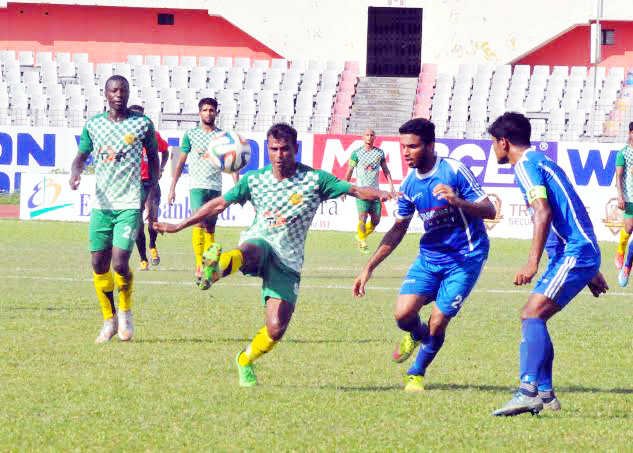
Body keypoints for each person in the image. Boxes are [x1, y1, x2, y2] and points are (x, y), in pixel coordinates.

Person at [154, 123, 396, 387]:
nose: (279, 155)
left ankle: (245, 359)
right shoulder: (254, 180)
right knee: (252, 248)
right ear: (268, 150)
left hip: (288, 260)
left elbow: (357, 190)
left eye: (284, 149)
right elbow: (220, 203)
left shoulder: (315, 180)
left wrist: (384, 193)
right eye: (273, 149)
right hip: (259, 242)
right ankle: (214, 269)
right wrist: (179, 225)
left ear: (295, 149)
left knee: (276, 328)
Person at [352, 118, 496, 393]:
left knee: (439, 320)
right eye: (403, 146)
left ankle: (416, 372)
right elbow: (398, 229)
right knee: (403, 315)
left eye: (412, 146)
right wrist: (368, 267)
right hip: (430, 258)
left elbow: (489, 211)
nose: (405, 152)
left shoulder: (455, 170)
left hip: (465, 258)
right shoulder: (409, 186)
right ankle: (417, 335)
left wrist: (458, 201)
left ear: (430, 145)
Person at [488, 112, 608, 416]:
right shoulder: (543, 163)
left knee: (532, 314)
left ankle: (529, 391)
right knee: (534, 316)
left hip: (576, 252)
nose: (493, 149)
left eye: (493, 143)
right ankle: (546, 396)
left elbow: (543, 213)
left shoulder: (526, 166)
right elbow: (567, 210)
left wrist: (531, 263)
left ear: (504, 142)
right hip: (577, 252)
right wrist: (591, 268)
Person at [69, 75, 159, 344]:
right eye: (114, 90)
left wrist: (150, 189)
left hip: (129, 203)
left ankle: (126, 311)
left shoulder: (142, 124)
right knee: (98, 264)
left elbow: (153, 159)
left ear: (129, 93)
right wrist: (75, 173)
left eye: (124, 90)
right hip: (101, 205)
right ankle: (108, 320)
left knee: (120, 262)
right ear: (106, 94)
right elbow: (81, 156)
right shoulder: (94, 125)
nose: (119, 94)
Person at [167, 98, 239, 289]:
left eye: (211, 110)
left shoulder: (223, 136)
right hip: (197, 185)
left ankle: (209, 267)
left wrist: (236, 184)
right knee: (198, 222)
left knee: (210, 228)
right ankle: (199, 264)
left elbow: (231, 160)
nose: (208, 113)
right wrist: (172, 186)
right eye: (205, 110)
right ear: (200, 113)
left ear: (216, 113)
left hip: (215, 186)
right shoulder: (191, 135)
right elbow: (180, 161)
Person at [127, 105, 170, 271]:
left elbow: (165, 151)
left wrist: (161, 169)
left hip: (151, 183)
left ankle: (152, 245)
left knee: (152, 218)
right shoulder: (126, 136)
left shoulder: (153, 135)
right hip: (133, 185)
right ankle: (143, 259)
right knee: (137, 223)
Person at [342, 128, 396, 253]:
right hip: (361, 192)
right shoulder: (356, 153)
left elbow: (386, 170)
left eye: (372, 135)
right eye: (367, 134)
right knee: (362, 217)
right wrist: (344, 188)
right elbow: (349, 171)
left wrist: (391, 186)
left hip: (375, 192)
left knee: (376, 221)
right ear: (363, 137)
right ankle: (362, 242)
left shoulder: (380, 153)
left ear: (374, 137)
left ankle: (360, 235)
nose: (369, 137)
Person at [614, 121, 633, 286]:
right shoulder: (623, 154)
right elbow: (618, 176)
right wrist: (620, 196)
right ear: (630, 133)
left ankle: (627, 267)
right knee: (628, 228)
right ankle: (621, 249)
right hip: (629, 198)